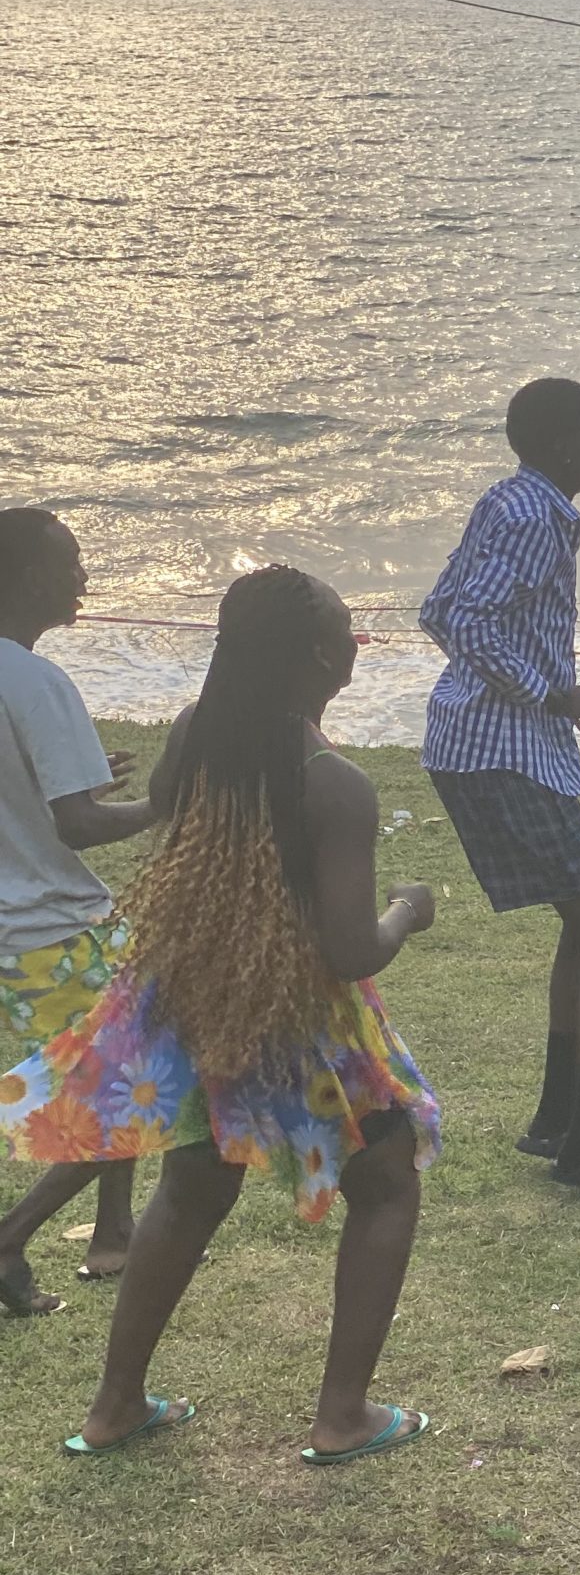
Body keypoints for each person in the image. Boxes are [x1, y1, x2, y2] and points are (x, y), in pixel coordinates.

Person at [0, 566, 441, 1462]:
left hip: (198, 999)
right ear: (323, 656)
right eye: (350, 629)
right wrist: (409, 909)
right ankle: (342, 1415)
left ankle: (115, 1406)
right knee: (387, 1176)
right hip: (299, 1016)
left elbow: (168, 809)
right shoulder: (335, 784)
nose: (359, 640)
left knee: (196, 1180)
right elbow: (352, 951)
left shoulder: (201, 732)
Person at [420, 377, 580, 1207]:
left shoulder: (512, 502)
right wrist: (554, 694)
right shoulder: (532, 519)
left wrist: (548, 693)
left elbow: (438, 607)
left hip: (478, 744)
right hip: (502, 750)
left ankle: (558, 1118)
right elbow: (468, 623)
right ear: (562, 443)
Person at [0, 509, 156, 1316]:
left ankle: (115, 1232)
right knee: (133, 1083)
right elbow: (79, 824)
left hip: (13, 930)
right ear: (30, 578)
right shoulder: (34, 679)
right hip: (54, 928)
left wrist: (83, 774)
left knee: (115, 1075)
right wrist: (165, 802)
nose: (84, 577)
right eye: (71, 564)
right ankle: (10, 1238)